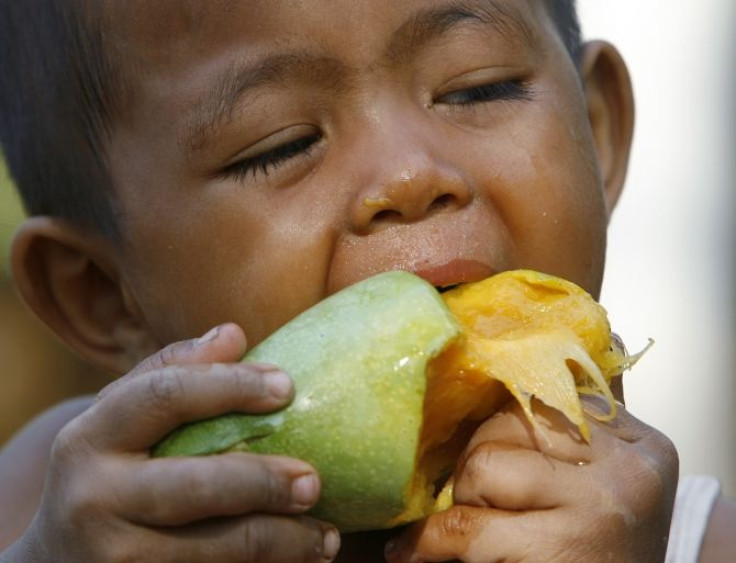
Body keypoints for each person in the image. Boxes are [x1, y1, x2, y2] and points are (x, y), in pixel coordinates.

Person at [0, 0, 731, 561]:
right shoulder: (58, 509)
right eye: (281, 143)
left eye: (480, 88)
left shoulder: (692, 539)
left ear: (597, 131)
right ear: (100, 292)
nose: (410, 176)